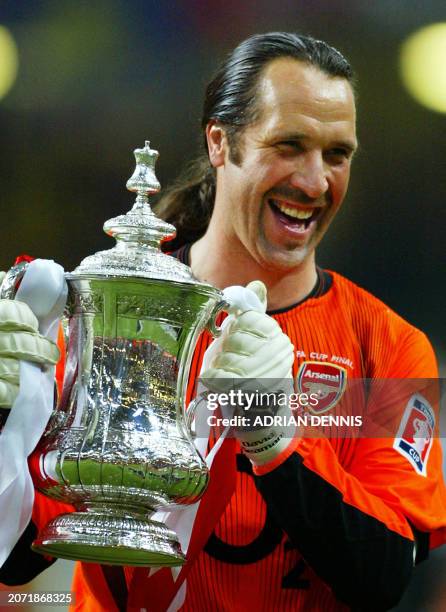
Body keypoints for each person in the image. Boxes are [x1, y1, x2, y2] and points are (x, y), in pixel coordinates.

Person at [1, 32, 445, 611]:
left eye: (337, 155)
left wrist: (277, 440)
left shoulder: (389, 347)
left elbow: (385, 578)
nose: (315, 182)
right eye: (289, 145)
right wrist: (7, 420)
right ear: (220, 142)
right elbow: (21, 553)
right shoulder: (106, 319)